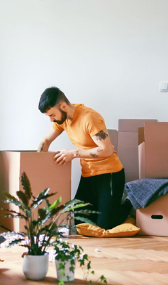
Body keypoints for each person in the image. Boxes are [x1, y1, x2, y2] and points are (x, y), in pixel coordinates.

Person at [37, 87, 131, 229]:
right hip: (88, 175)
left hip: (109, 174)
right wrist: (36, 164)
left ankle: (129, 202)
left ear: (63, 106)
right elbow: (46, 140)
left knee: (105, 225)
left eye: (52, 115)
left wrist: (74, 153)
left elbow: (106, 150)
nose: (51, 120)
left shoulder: (90, 118)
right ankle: (106, 206)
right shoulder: (63, 119)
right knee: (81, 222)